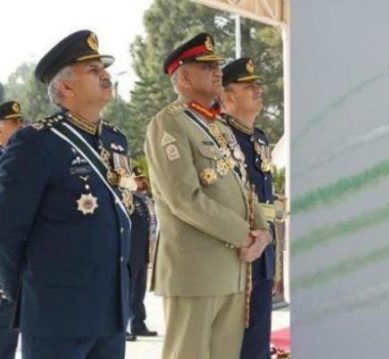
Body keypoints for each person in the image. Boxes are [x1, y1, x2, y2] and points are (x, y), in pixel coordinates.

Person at [0, 30, 133, 359]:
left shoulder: (115, 141)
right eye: (92, 70)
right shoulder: (36, 142)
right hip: (56, 315)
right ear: (66, 86)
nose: (105, 74)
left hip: (110, 311)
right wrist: (31, 294)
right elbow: (7, 229)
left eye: (103, 68)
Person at [144, 33, 270, 359]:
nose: (217, 70)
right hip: (194, 271)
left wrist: (263, 232)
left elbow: (246, 186)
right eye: (207, 65)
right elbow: (184, 198)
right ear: (183, 76)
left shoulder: (219, 127)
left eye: (217, 64)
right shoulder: (169, 124)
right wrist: (244, 234)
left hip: (231, 269)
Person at [219, 58, 276, 359]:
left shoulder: (260, 138)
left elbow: (266, 198)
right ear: (227, 96)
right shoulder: (219, 137)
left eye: (258, 85)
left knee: (257, 345)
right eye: (248, 86)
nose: (257, 90)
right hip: (236, 255)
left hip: (263, 254)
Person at [0, 100, 24, 359]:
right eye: (14, 123)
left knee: (9, 327)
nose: (21, 127)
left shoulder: (17, 159)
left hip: (13, 256)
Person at [127, 166, 158, 341]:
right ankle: (124, 327)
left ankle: (138, 323)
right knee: (127, 290)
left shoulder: (145, 200)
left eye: (142, 178)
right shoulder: (128, 198)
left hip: (143, 249)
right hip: (131, 251)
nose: (142, 181)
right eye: (138, 179)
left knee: (139, 290)